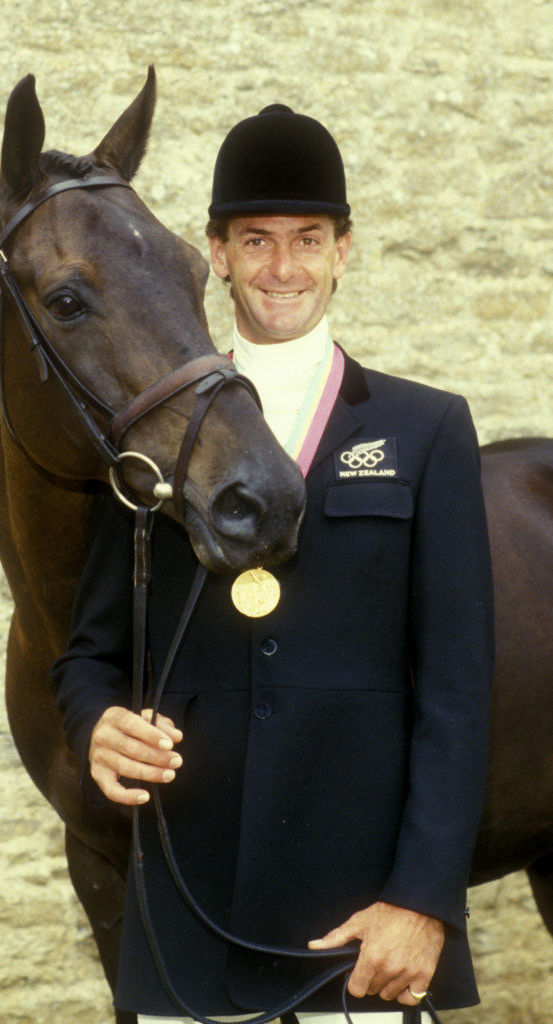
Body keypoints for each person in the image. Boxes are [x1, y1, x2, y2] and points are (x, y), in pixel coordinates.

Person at [52, 104, 494, 1024]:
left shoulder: (427, 430)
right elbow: (87, 655)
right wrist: (96, 723)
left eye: (307, 239)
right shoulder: (143, 435)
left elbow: (457, 691)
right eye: (255, 240)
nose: (281, 267)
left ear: (344, 251)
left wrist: (422, 903)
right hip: (187, 917)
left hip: (360, 922)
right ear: (215, 253)